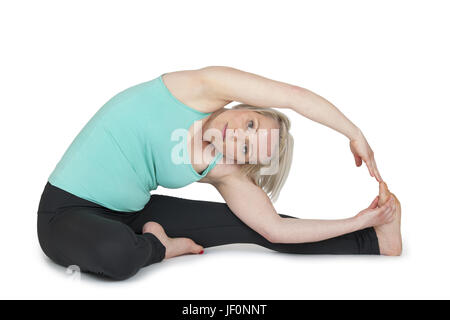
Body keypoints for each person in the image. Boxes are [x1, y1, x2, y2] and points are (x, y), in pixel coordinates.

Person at [37, 66, 402, 281]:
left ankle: (375, 242)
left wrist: (359, 221)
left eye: (246, 148)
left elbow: (276, 229)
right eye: (250, 124)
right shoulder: (200, 89)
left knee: (254, 229)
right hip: (66, 212)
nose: (238, 135)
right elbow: (292, 95)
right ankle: (160, 247)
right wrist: (355, 134)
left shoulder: (223, 169)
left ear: (240, 160)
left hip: (132, 213)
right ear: (248, 107)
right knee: (118, 256)